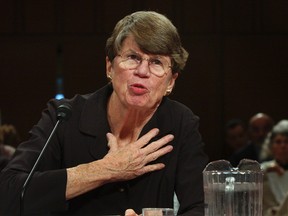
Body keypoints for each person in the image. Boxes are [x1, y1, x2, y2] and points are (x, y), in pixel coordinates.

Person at [0, 11, 208, 215]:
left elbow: (201, 207)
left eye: (156, 62)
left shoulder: (181, 123)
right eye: (133, 57)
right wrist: (105, 169)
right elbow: (9, 194)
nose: (142, 71)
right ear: (109, 67)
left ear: (171, 82)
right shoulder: (64, 116)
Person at [260, 120, 288, 216]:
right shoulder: (264, 168)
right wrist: (268, 170)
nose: (283, 146)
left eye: (286, 142)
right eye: (278, 142)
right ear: (271, 146)